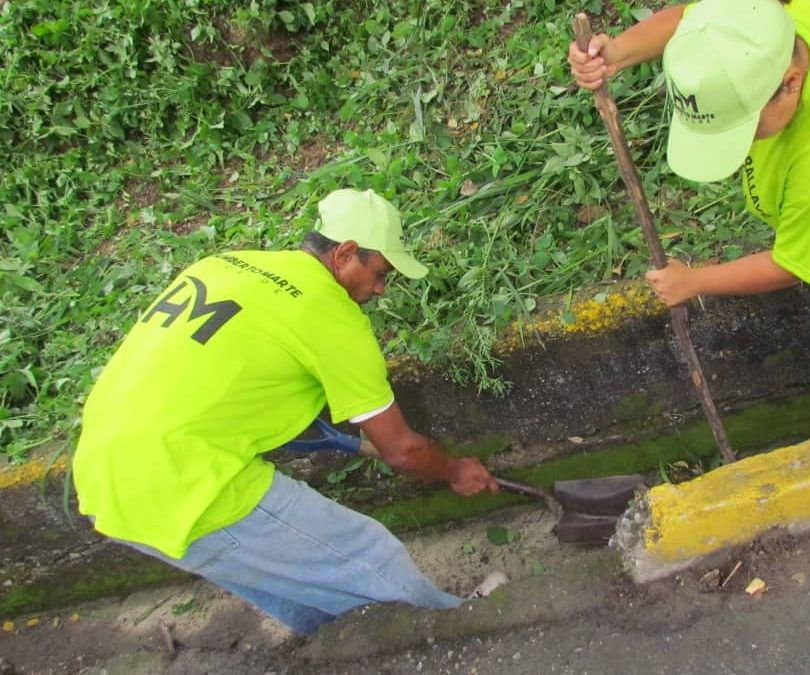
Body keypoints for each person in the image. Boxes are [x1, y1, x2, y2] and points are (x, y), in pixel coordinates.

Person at [72, 188, 500, 636]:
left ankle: (349, 647)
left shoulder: (222, 265)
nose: (380, 289)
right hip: (192, 484)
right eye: (380, 273)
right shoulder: (330, 317)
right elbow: (404, 452)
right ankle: (467, 633)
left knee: (295, 587)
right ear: (345, 254)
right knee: (370, 554)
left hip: (104, 478)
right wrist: (455, 470)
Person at [568, 0, 810, 433]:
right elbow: (703, 21)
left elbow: (792, 264)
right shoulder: (794, 19)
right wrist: (614, 55)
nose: (741, 145)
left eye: (742, 126)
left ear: (790, 83)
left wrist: (694, 282)